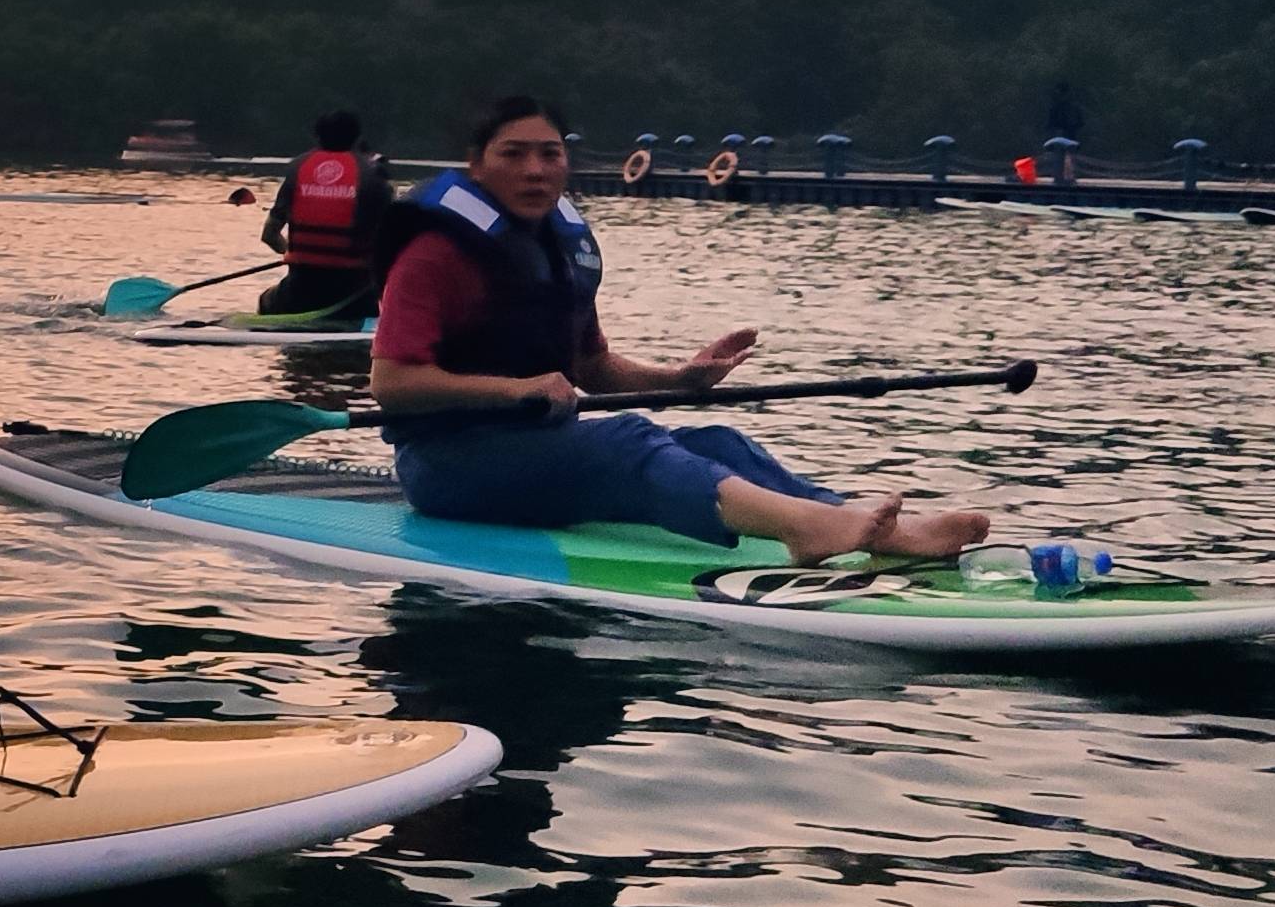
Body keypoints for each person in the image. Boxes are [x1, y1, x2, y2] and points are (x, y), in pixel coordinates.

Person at [370, 96, 992, 564]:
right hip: (450, 466)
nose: (535, 169)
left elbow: (591, 367)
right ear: (476, 167)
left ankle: (883, 532)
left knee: (716, 441)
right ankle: (805, 529)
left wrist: (684, 379)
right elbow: (393, 383)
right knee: (630, 441)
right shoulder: (435, 253)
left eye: (550, 153)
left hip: (539, 454)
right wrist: (510, 391)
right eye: (514, 154)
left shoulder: (560, 248)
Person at [256, 109, 390, 318]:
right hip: (354, 296)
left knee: (265, 301)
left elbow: (269, 235)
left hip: (298, 293)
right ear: (357, 139)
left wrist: (292, 256)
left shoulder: (297, 169)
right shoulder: (373, 177)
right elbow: (391, 245)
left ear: (317, 137)